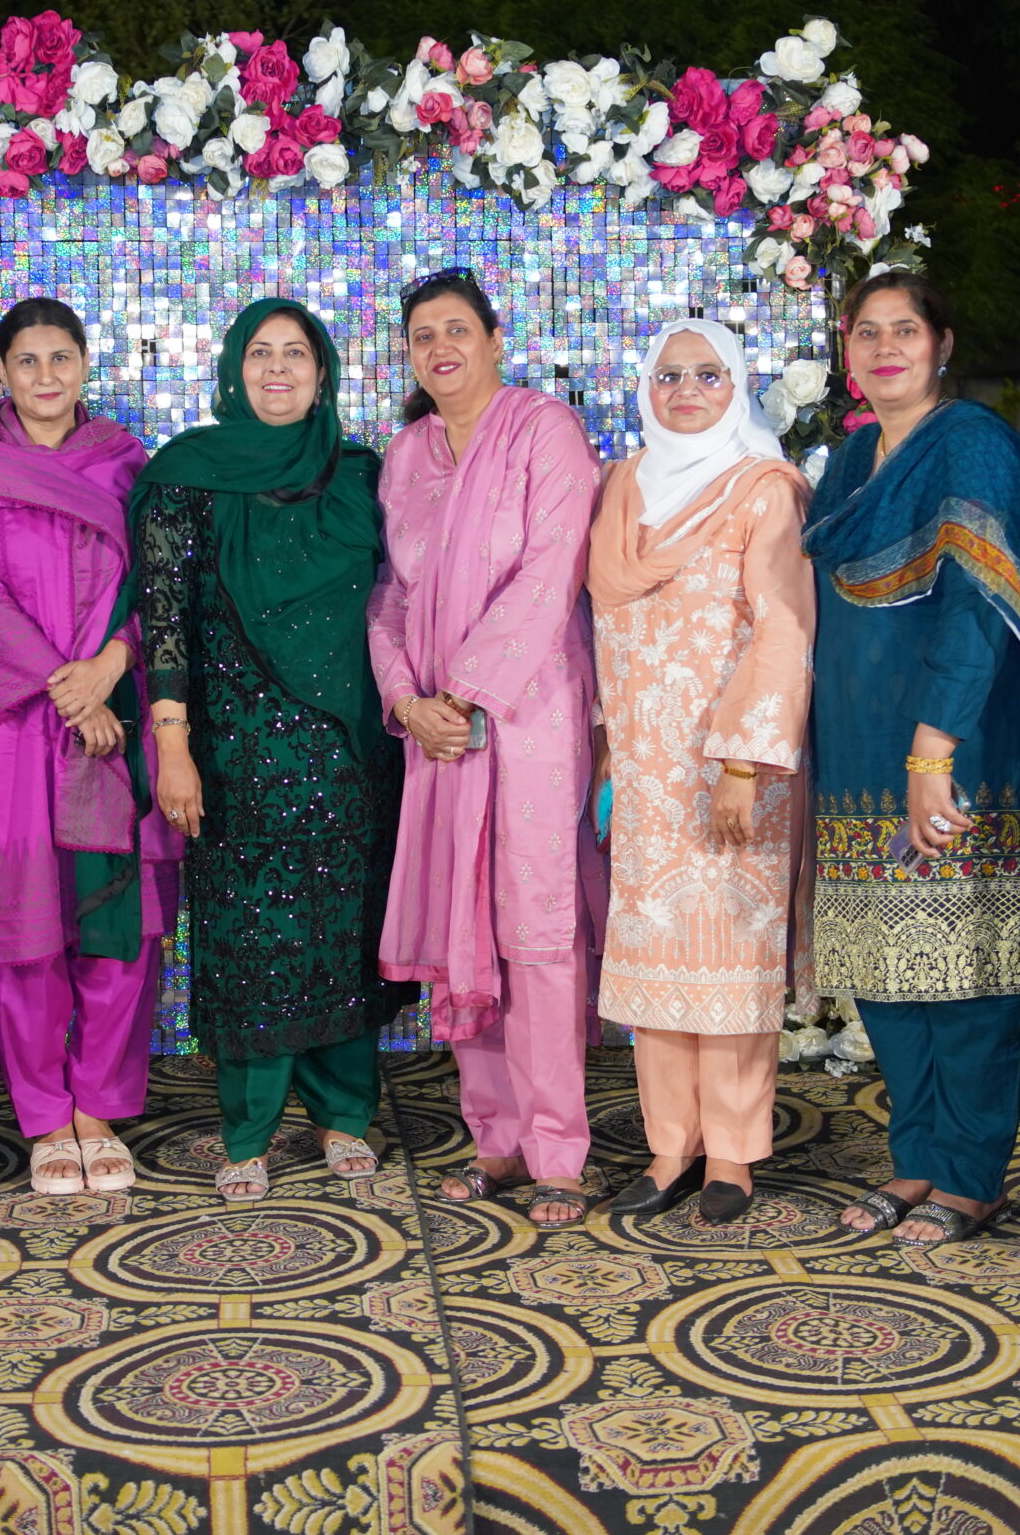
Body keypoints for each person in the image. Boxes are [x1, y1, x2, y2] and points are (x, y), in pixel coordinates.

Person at [129, 297, 407, 1201]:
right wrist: (173, 746)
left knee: (344, 930)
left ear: (323, 373)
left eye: (296, 353)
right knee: (250, 936)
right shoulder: (187, 476)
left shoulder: (361, 474)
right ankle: (248, 1129)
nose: (278, 368)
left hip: (351, 751)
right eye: (260, 352)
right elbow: (165, 622)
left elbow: (402, 597)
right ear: (233, 369)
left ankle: (344, 1114)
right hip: (235, 753)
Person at [803, 271, 1020, 1248]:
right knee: (885, 964)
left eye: (904, 329)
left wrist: (933, 747)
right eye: (866, 332)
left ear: (942, 344)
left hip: (955, 744)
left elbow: (976, 606)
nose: (885, 348)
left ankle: (971, 1175)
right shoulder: (851, 458)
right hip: (856, 744)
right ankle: (915, 1159)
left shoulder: (974, 444)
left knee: (970, 968)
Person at [0, 298, 183, 1195]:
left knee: (120, 921)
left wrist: (113, 664)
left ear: (83, 365)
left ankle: (98, 1108)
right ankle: (44, 1116)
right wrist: (67, 690)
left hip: (118, 712)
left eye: (60, 358)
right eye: (27, 360)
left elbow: (159, 580)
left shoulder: (126, 463)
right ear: (1, 370)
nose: (45, 376)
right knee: (27, 925)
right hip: (17, 725)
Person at [369, 268, 604, 1227]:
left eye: (457, 329)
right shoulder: (406, 455)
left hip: (526, 713)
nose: (441, 348)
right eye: (423, 335)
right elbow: (392, 594)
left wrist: (461, 693)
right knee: (462, 926)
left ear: (495, 339)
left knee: (534, 929)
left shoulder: (545, 430)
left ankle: (558, 1153)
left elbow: (554, 570)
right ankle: (494, 1140)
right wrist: (406, 697)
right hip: (438, 731)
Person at [590, 319, 817, 1225]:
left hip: (731, 767)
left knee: (727, 956)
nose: (687, 390)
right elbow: (605, 632)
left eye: (710, 375)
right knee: (656, 962)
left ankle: (731, 1153)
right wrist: (607, 747)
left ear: (739, 387)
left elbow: (784, 626)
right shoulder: (623, 487)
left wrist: (743, 763)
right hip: (646, 767)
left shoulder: (763, 487)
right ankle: (668, 1145)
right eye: (671, 375)